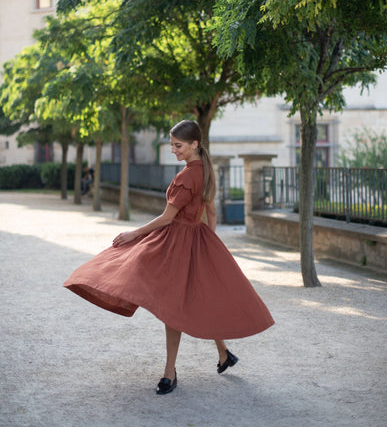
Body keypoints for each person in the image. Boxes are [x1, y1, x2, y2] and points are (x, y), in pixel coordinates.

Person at [63, 120, 274, 395]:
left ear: (195, 144)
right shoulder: (206, 171)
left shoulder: (187, 177)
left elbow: (166, 218)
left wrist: (133, 235)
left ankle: (169, 373)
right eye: (172, 144)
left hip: (178, 243)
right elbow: (211, 214)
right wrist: (208, 247)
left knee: (170, 307)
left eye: (178, 145)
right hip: (197, 241)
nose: (173, 150)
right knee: (197, 301)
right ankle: (223, 355)